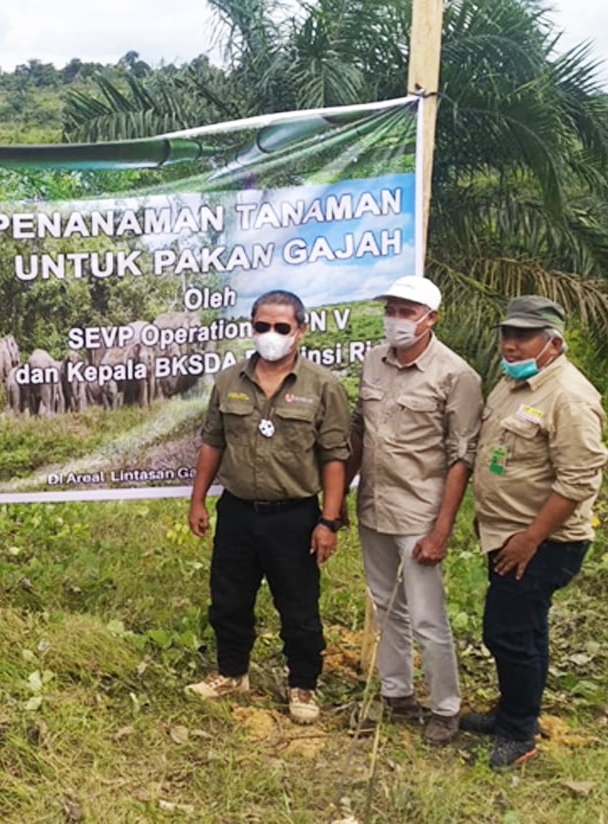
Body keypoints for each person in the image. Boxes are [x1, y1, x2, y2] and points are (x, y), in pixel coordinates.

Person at [185, 290, 350, 722]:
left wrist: (328, 521)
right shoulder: (228, 382)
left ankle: (303, 686)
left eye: (281, 327)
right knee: (229, 599)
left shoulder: (323, 386)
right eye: (262, 326)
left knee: (298, 606)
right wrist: (197, 500)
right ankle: (231, 672)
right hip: (238, 511)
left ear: (300, 330)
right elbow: (212, 444)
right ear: (251, 326)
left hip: (294, 516)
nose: (271, 335)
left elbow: (335, 457)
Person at [465, 296, 607, 769]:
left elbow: (579, 478)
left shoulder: (569, 395)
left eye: (523, 336)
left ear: (553, 342)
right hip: (507, 532)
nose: (510, 343)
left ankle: (518, 732)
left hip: (543, 542)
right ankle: (514, 710)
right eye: (507, 333)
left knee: (507, 632)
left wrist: (531, 538)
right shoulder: (510, 383)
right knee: (526, 628)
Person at [344, 275, 481, 745]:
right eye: (392, 309)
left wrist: (442, 529)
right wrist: (339, 495)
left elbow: (462, 456)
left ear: (431, 318)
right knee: (386, 608)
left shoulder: (455, 375)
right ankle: (397, 695)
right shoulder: (373, 362)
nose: (397, 319)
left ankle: (446, 707)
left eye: (407, 311)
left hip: (420, 512)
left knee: (427, 616)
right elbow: (360, 431)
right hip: (374, 505)